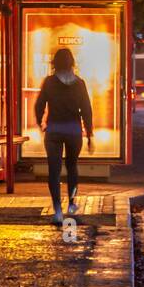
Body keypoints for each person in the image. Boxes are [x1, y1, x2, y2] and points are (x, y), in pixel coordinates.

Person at [33, 48, 94, 225]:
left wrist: (41, 123)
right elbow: (87, 110)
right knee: (72, 167)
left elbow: (39, 104)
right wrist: (89, 134)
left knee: (54, 170)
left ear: (55, 63)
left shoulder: (50, 82)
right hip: (74, 131)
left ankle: (58, 210)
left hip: (54, 131)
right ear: (72, 62)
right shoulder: (79, 83)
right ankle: (72, 205)